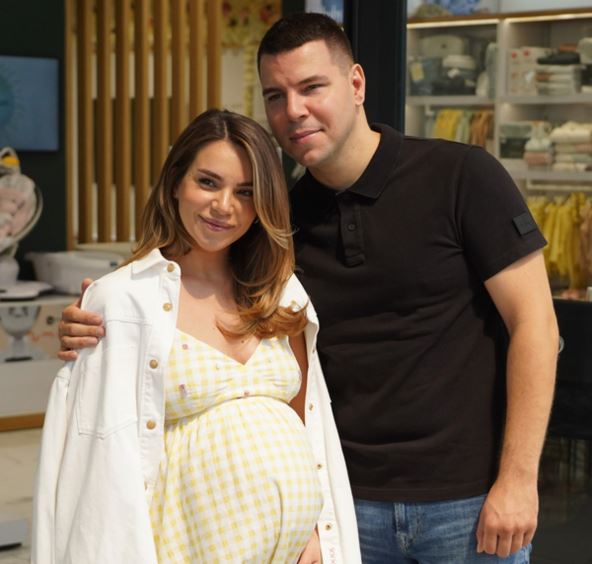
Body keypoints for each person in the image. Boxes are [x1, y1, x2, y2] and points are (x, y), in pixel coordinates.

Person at [58, 13, 559, 563]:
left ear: (356, 83)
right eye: (276, 95)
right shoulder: (274, 222)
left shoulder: (461, 175)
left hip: (468, 502)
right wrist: (102, 314)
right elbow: (190, 287)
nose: (293, 110)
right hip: (345, 503)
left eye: (311, 87)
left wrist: (518, 479)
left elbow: (535, 324)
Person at [33, 109, 361, 563]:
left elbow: (307, 421)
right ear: (175, 183)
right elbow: (92, 462)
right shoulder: (124, 300)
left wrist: (315, 530)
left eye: (246, 192)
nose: (224, 206)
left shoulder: (280, 292)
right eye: (208, 182)